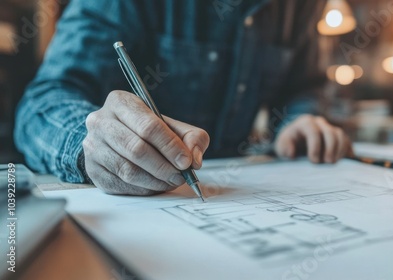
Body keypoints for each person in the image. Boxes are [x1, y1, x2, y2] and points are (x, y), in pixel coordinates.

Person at [15, 0, 353, 195]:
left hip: (241, 192)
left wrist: (299, 119)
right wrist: (89, 140)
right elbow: (40, 104)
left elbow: (304, 85)